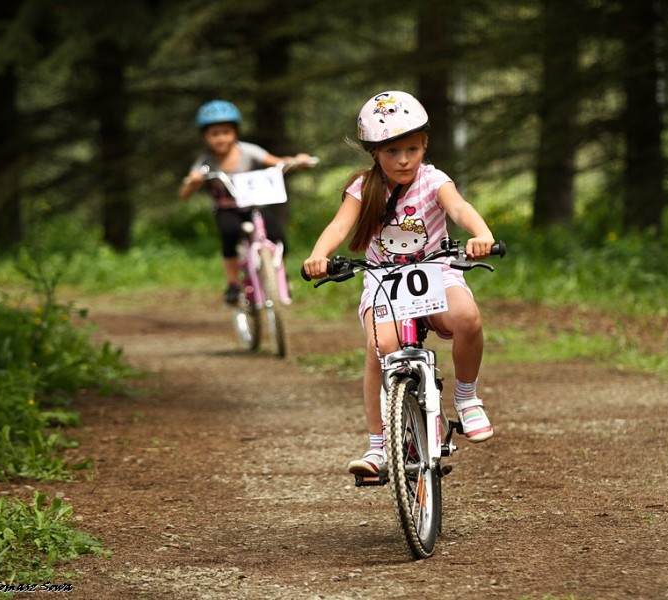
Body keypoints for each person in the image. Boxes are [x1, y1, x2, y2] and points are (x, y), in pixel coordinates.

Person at [302, 90, 496, 476]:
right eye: (392, 152)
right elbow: (340, 225)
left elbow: (458, 206)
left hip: (436, 271)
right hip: (383, 279)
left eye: (412, 148)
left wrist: (481, 233)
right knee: (380, 346)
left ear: (425, 144)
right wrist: (318, 255)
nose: (403, 159)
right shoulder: (363, 187)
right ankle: (378, 444)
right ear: (375, 153)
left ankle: (467, 398)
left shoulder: (433, 179)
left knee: (468, 318)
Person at [179, 99, 314, 304]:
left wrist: (297, 161)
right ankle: (233, 284)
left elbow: (278, 162)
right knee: (229, 234)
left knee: (278, 236)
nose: (221, 138)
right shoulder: (205, 162)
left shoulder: (248, 151)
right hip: (227, 209)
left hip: (254, 206)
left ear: (235, 132)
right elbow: (185, 191)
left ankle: (279, 275)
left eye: (225, 132)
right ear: (205, 137)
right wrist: (193, 182)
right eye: (215, 134)